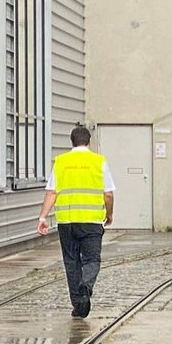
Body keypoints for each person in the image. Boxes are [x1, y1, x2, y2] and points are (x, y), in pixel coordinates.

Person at [36, 124, 114, 319]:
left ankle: (79, 306)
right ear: (89, 142)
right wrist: (109, 215)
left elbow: (52, 192)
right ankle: (86, 285)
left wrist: (43, 217)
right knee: (91, 260)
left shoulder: (61, 162)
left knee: (71, 263)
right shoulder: (99, 162)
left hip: (67, 223)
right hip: (92, 222)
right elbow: (108, 194)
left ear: (71, 142)